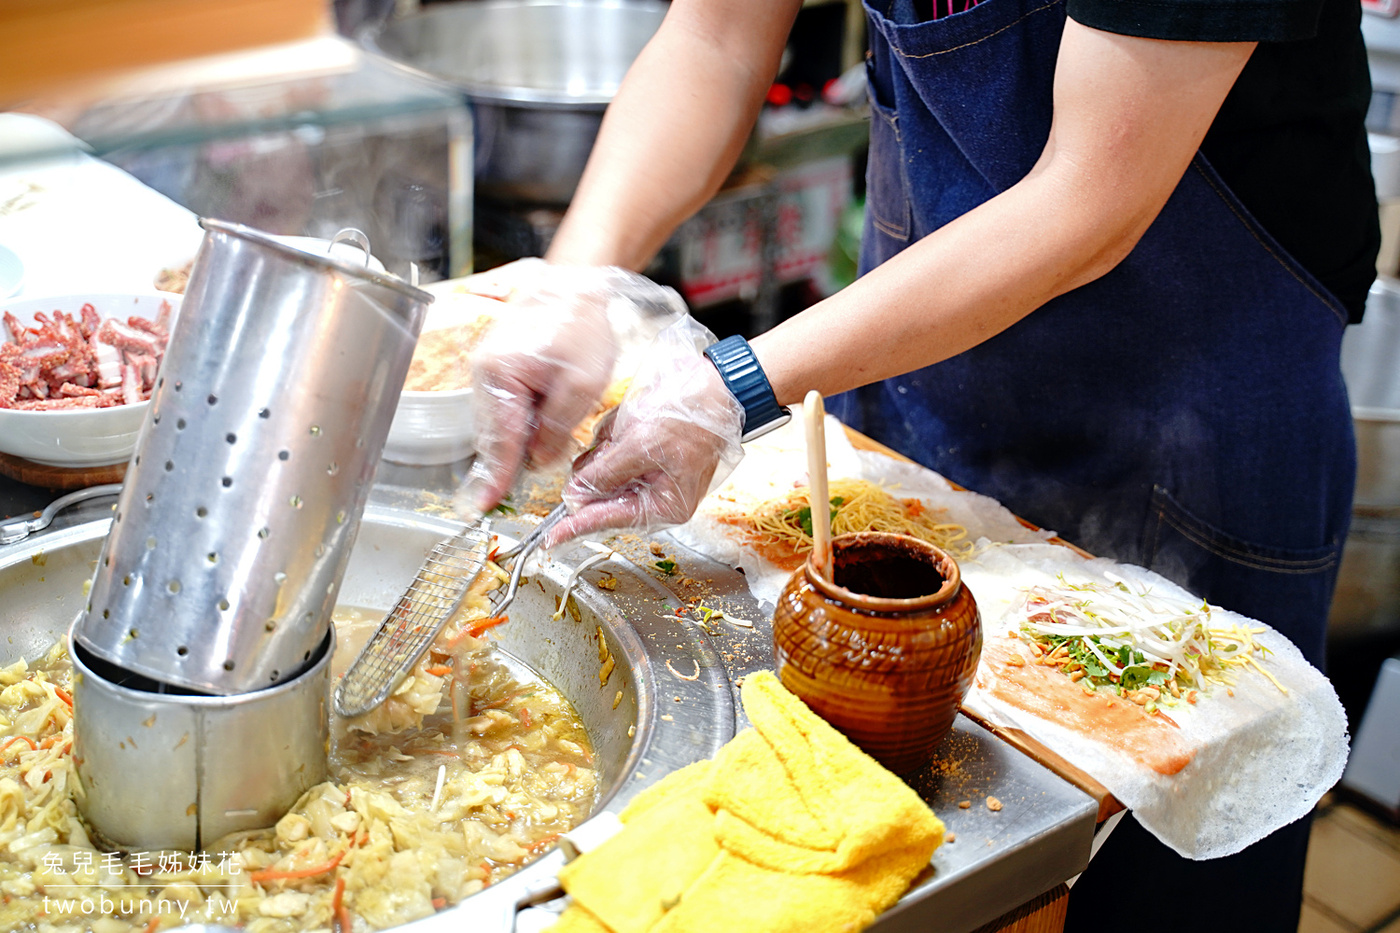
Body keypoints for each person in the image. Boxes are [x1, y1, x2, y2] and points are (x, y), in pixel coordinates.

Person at [459, 0, 1377, 929]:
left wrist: (735, 385)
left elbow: (1092, 195)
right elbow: (716, 38)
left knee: (1148, 876)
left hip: (1185, 421)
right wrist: (574, 282)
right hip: (913, 366)